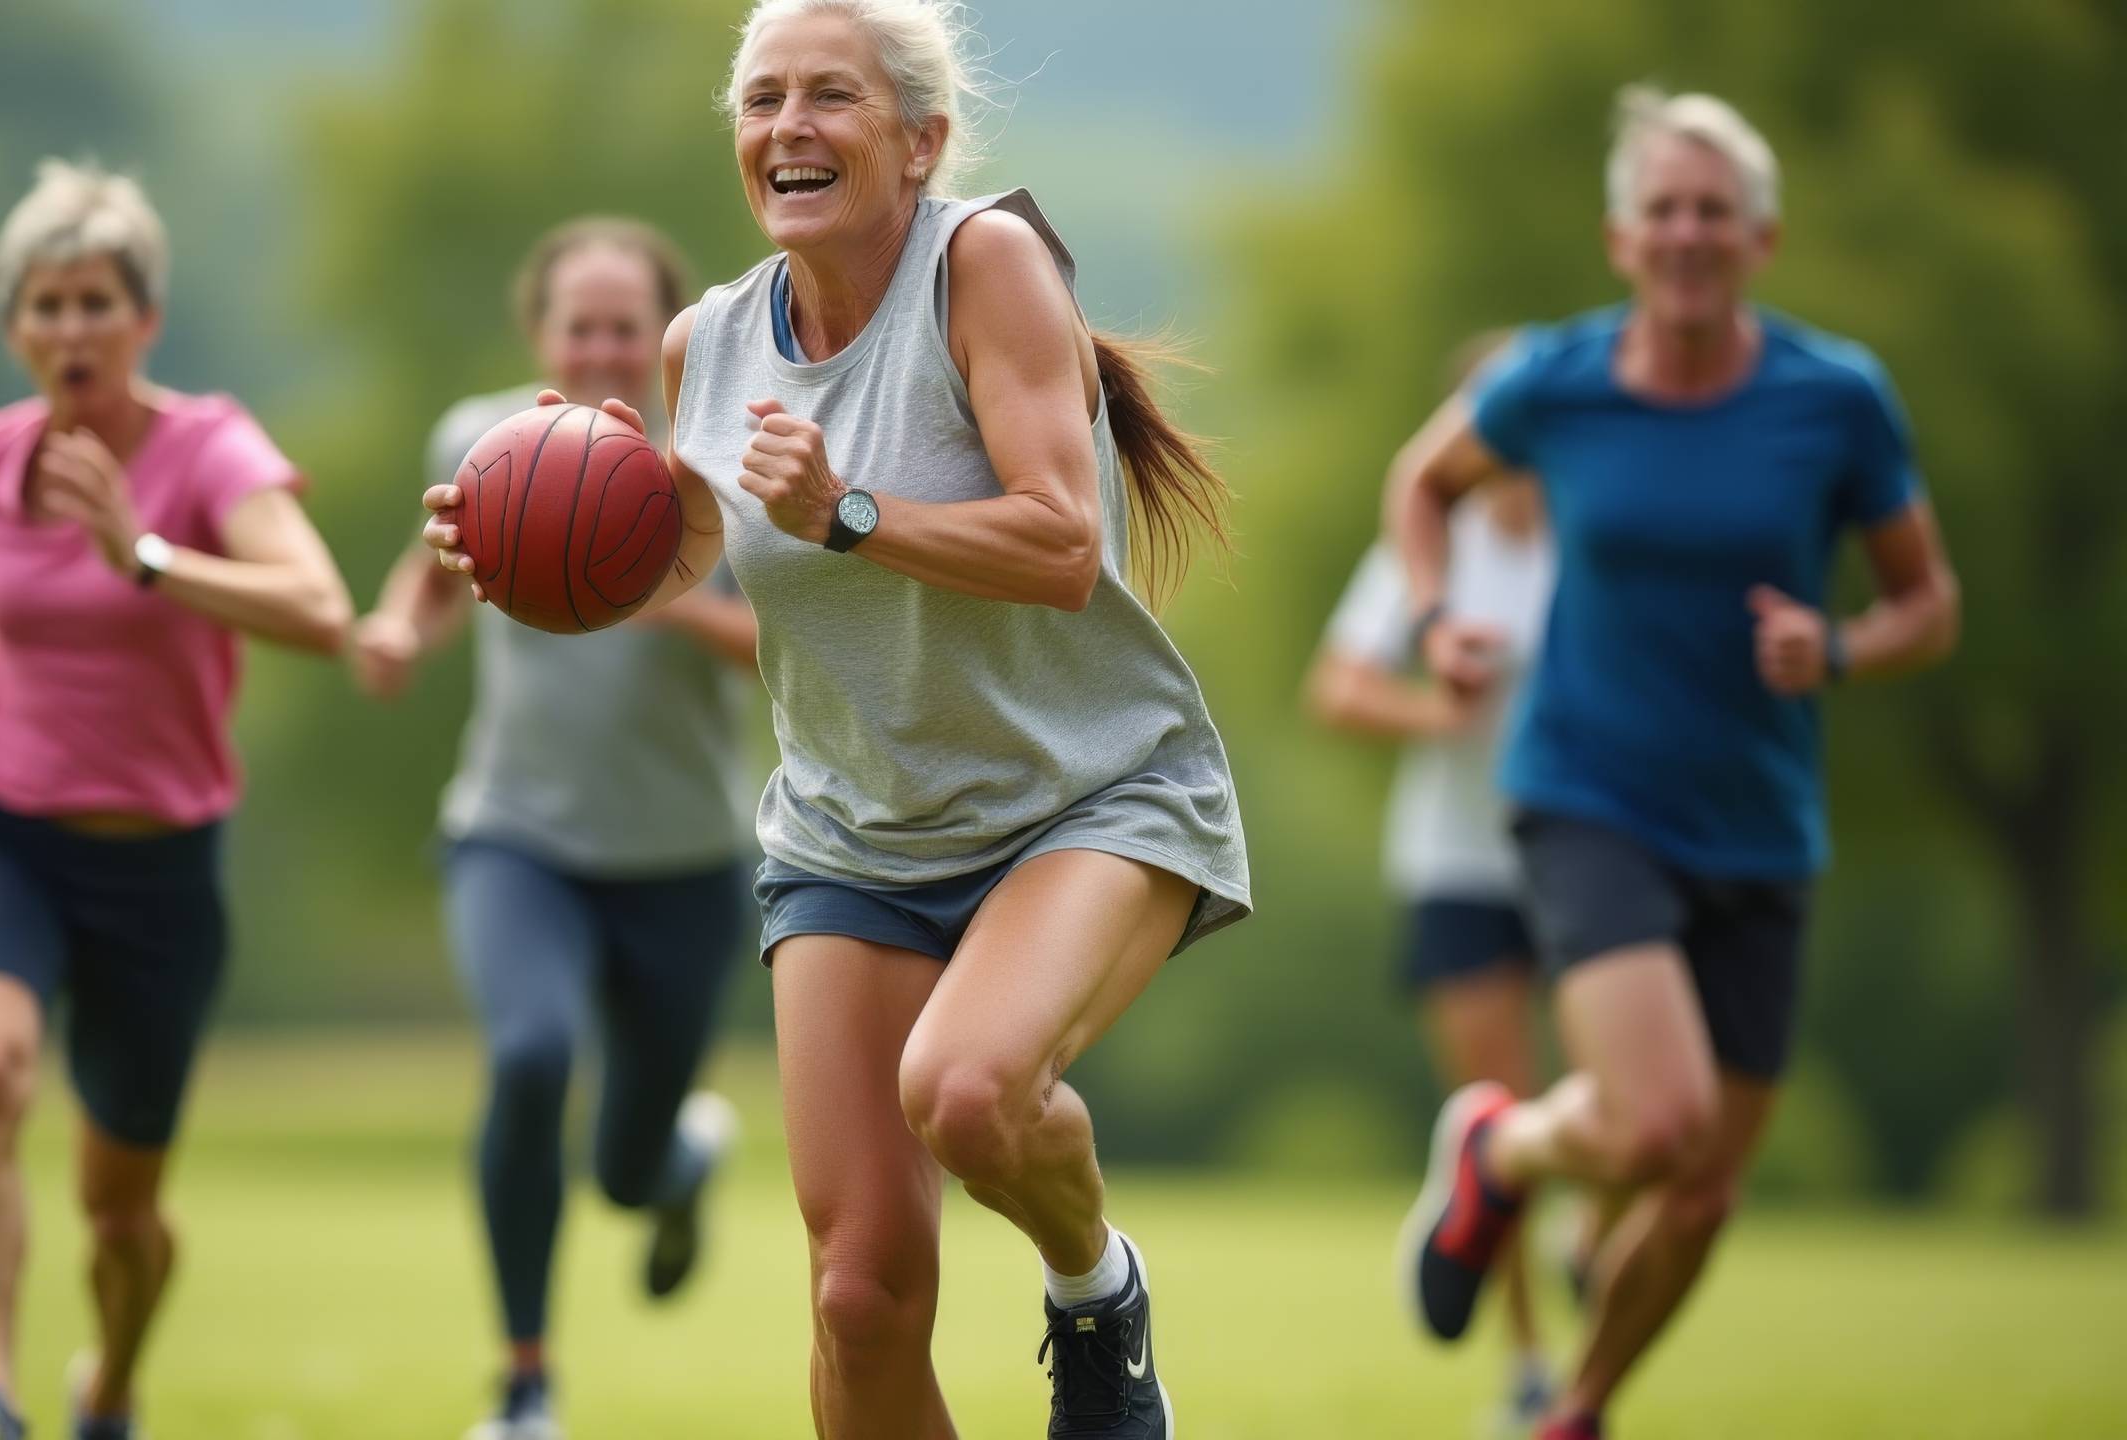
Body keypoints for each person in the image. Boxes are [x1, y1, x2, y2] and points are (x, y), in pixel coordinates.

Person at [426, 4, 1250, 1436]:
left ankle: (1096, 1292)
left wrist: (853, 513)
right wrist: (544, 534)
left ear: (921, 141)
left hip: (1088, 801)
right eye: (760, 100)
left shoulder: (985, 265)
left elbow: (1061, 546)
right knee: (859, 1301)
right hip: (853, 837)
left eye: (829, 98)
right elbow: (695, 546)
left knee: (973, 1090)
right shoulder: (709, 340)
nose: (786, 126)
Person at [1387, 88, 1961, 1440]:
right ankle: (1505, 1147)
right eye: (1665, 210)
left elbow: (1929, 605)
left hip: (1762, 822)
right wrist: (1436, 619)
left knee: (1702, 1190)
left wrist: (1839, 649)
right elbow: (1424, 485)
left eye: (1716, 211)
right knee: (1655, 1126)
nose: (1690, 233)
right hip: (1587, 794)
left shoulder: (1835, 399)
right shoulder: (1559, 382)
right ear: (1620, 237)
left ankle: (1577, 1412)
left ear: (1762, 238)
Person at [0, 159, 352, 1440]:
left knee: (120, 1216)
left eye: (96, 304)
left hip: (159, 865)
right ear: (14, 328)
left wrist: (150, 558)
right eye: (47, 307)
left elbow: (320, 609)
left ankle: (109, 1384)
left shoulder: (209, 451)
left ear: (145, 321)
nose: (72, 330)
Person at [350, 217, 761, 1440]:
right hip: (514, 835)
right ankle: (526, 1387)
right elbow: (437, 569)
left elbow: (780, 655)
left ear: (665, 335)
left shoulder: (721, 456)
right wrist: (393, 629)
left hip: (685, 860)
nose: (600, 349)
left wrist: (651, 590)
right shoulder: (484, 439)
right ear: (541, 334)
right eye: (577, 327)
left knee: (624, 1169)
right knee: (529, 1060)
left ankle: (676, 1165)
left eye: (624, 328)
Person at [1305, 336, 1558, 1435]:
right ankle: (1532, 1365)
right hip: (1457, 862)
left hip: (1586, 850)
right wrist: (1438, 713)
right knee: (1499, 1128)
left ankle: (1589, 1253)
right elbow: (1338, 686)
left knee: (1617, 1108)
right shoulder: (1434, 543)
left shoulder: (1592, 538)